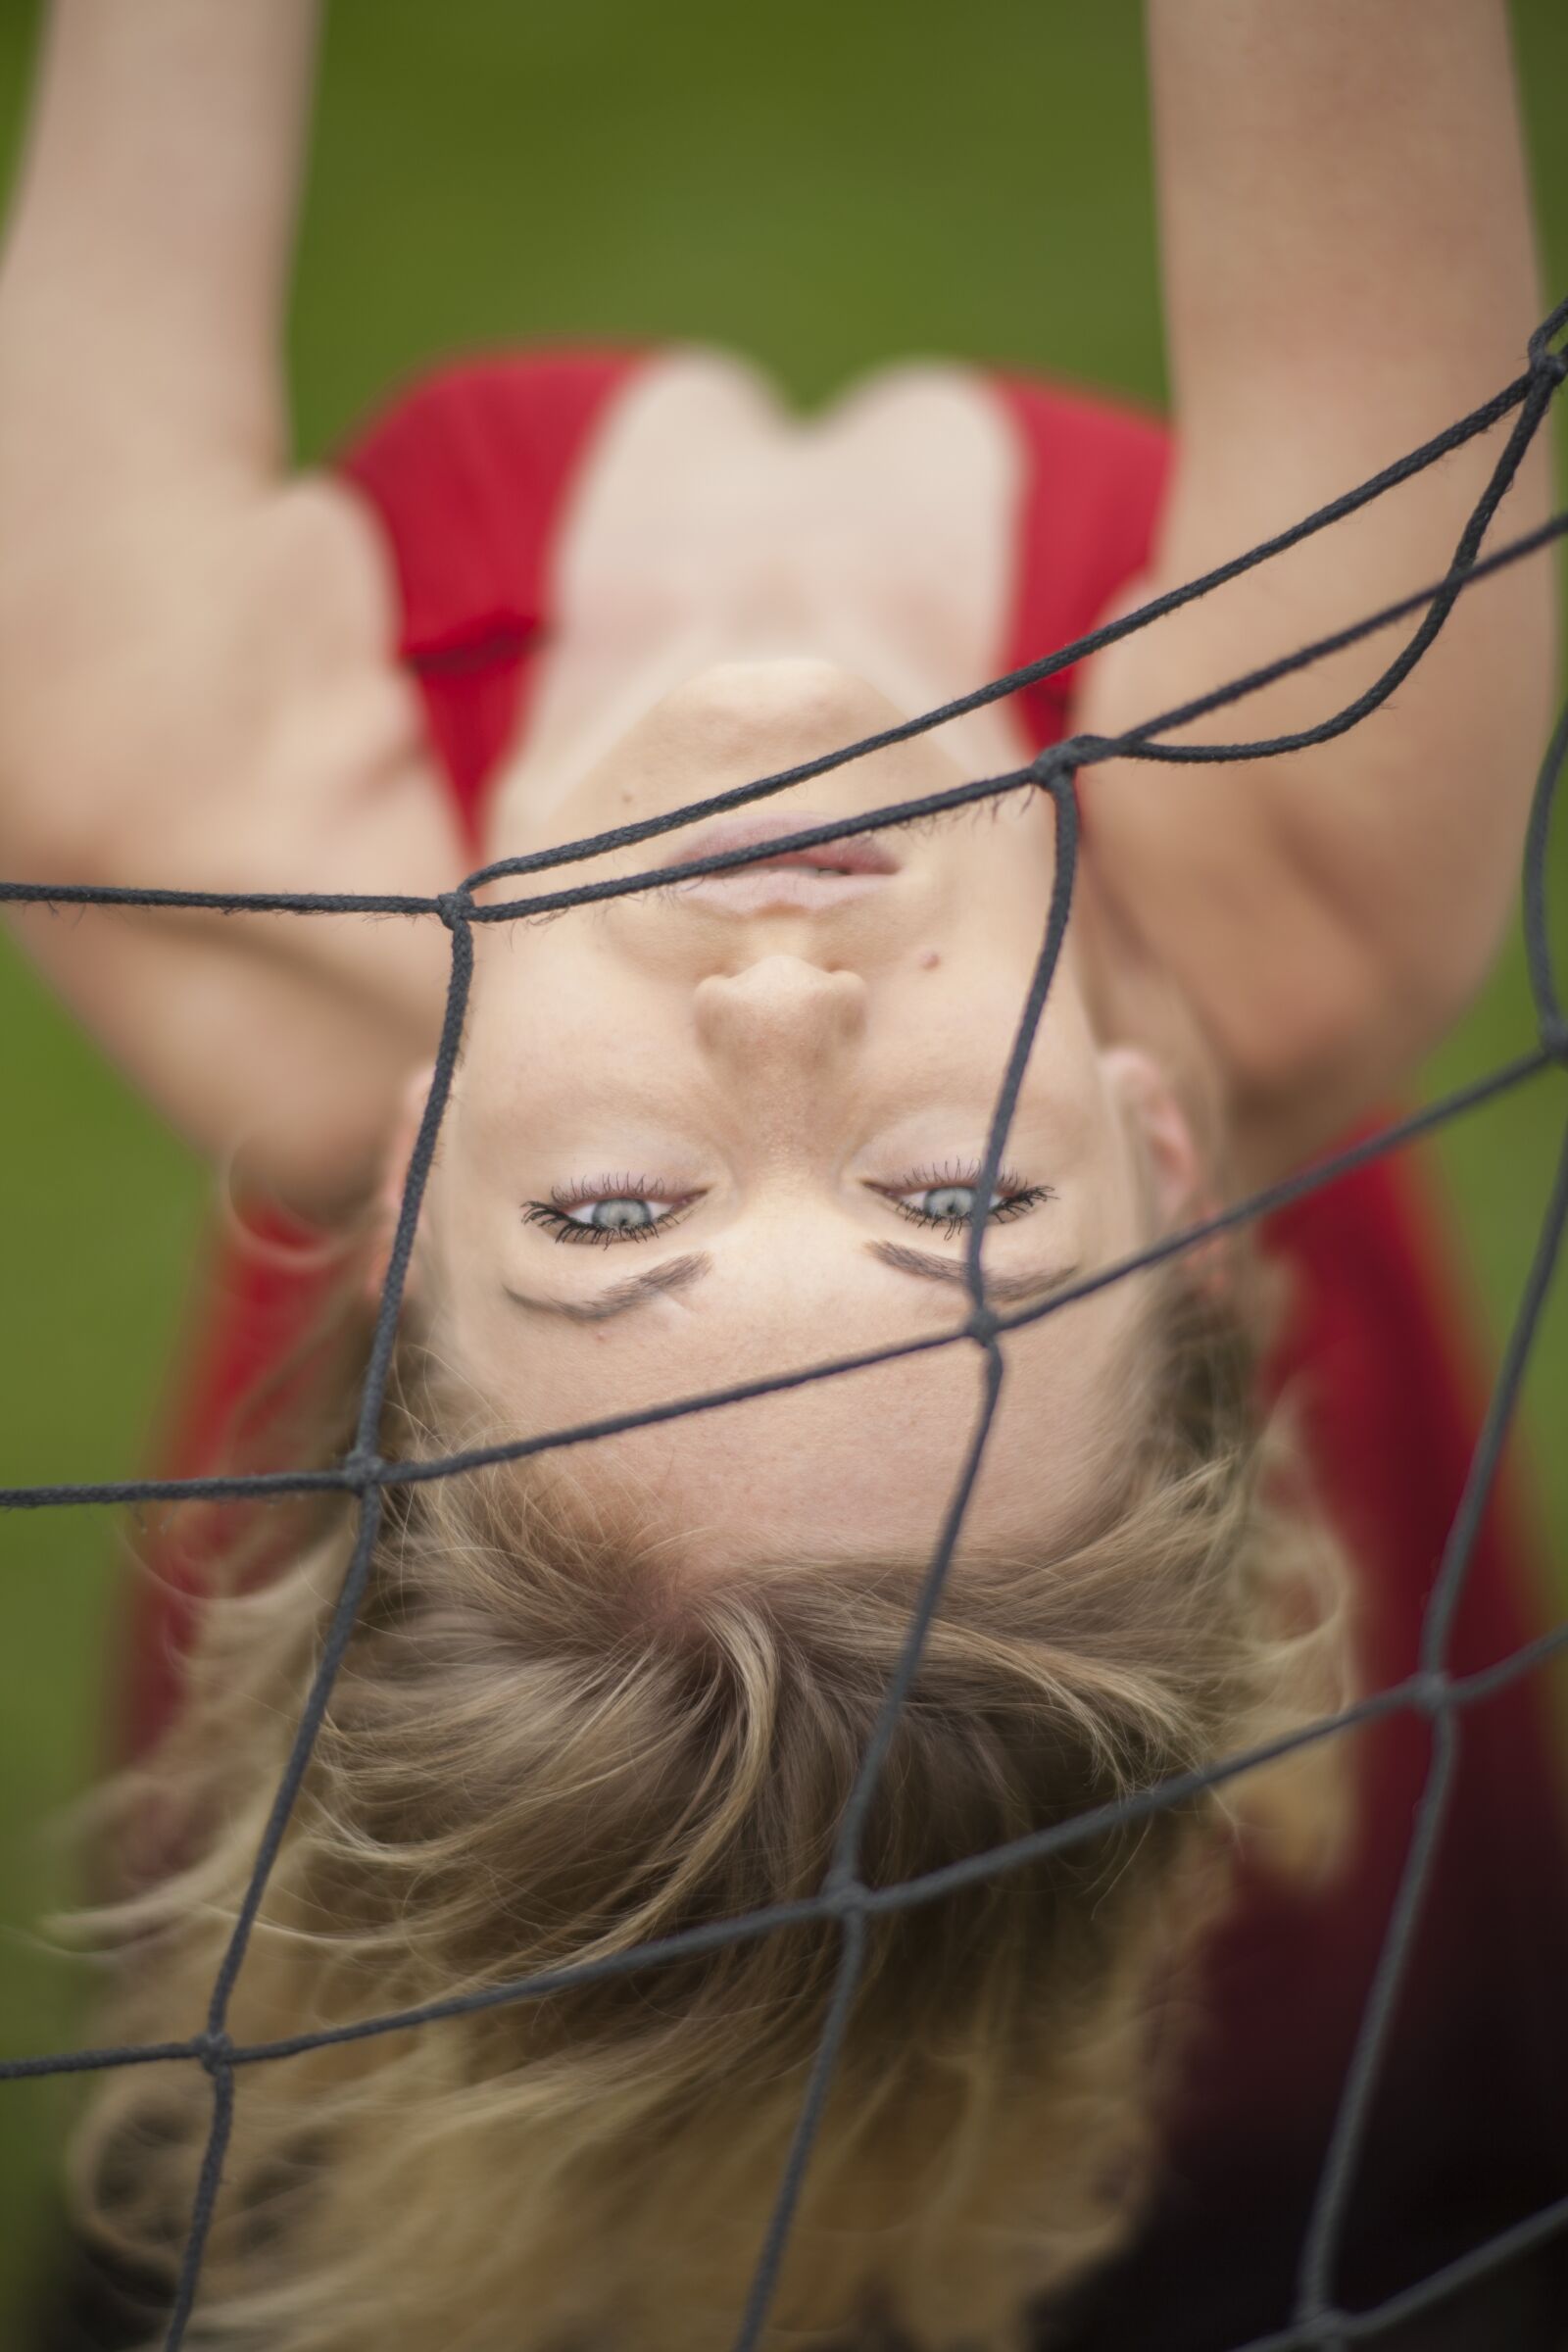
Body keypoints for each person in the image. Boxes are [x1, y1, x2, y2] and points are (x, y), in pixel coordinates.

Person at [2, 2, 1565, 2347]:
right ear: (1172, 1173)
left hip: (471, 1778)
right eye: (953, 1204)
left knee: (331, 2123)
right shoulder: (1304, 864)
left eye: (615, 1217)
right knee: (1302, 2166)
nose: (779, 1015)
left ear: (407, 1199)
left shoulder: (145, 797)